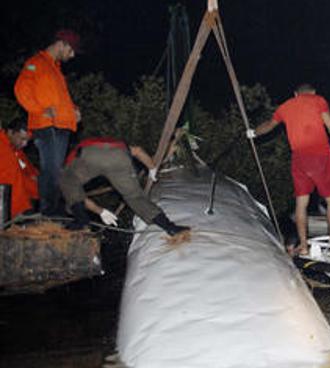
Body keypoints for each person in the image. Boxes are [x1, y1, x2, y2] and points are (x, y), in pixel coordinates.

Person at [248, 83, 330, 254]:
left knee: (301, 203)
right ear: (313, 92)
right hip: (321, 155)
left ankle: (304, 246)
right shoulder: (318, 100)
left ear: (295, 94)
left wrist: (253, 132)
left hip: (299, 158)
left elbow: (269, 125)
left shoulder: (286, 106)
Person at [60, 137, 189, 236]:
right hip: (119, 156)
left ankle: (81, 221)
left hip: (88, 156)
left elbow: (77, 195)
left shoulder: (70, 160)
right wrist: (152, 167)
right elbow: (138, 150)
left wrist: (101, 212)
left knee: (70, 187)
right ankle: (170, 227)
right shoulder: (115, 142)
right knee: (134, 196)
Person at [14, 29, 82, 216]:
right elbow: (21, 89)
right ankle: (48, 213)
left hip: (61, 125)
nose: (72, 54)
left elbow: (59, 99)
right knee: (51, 170)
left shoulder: (55, 69)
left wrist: (73, 109)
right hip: (47, 125)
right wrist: (39, 110)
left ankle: (52, 212)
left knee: (57, 171)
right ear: (61, 44)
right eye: (71, 50)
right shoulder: (36, 64)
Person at [0, 118, 38, 218]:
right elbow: (11, 180)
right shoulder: (4, 151)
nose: (25, 144)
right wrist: (22, 211)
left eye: (27, 141)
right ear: (10, 132)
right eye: (22, 139)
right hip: (11, 208)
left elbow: (29, 172)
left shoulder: (15, 149)